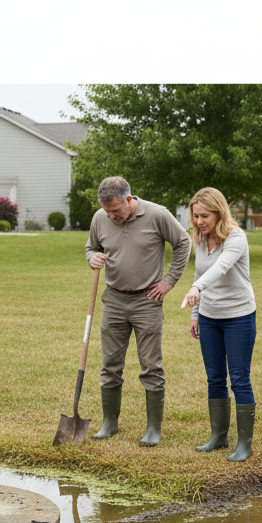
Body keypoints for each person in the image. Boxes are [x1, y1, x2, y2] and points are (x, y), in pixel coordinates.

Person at [86, 176, 192, 446]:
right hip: (113, 299)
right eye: (107, 211)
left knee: (150, 366)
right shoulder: (100, 218)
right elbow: (92, 247)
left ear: (129, 200)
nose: (111, 216)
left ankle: (153, 429)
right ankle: (109, 423)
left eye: (116, 211)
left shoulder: (157, 215)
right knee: (110, 365)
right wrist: (92, 257)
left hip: (147, 301)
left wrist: (169, 281)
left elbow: (183, 243)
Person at [180, 187, 257, 461]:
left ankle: (244, 445)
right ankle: (218, 437)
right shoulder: (200, 239)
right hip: (210, 318)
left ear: (219, 212)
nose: (199, 221)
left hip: (238, 317)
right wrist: (195, 315)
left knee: (239, 379)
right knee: (214, 378)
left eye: (205, 216)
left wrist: (196, 288)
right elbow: (200, 272)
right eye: (196, 216)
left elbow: (220, 267)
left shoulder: (236, 238)